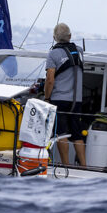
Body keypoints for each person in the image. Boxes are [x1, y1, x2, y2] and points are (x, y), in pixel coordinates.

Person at [45, 22, 86, 166]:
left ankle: (66, 165)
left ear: (54, 38)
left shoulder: (53, 54)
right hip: (77, 101)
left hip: (59, 99)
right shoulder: (79, 51)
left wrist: (47, 97)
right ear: (70, 36)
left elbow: (50, 80)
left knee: (61, 133)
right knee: (77, 134)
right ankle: (84, 166)